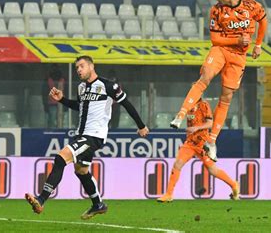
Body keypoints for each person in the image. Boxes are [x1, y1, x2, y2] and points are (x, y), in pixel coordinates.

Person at [26, 55, 149, 220]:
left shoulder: (108, 85)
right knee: (81, 171)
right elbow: (80, 106)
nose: (79, 70)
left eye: (81, 66)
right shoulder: (81, 87)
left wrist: (141, 126)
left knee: (61, 158)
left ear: (92, 66)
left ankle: (41, 200)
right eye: (77, 68)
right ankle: (98, 204)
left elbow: (126, 103)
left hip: (94, 136)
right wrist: (62, 99)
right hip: (82, 134)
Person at [170, 0, 267, 161]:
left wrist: (258, 45)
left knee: (227, 97)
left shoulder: (251, 6)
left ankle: (212, 141)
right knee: (205, 76)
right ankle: (180, 115)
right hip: (221, 50)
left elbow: (263, 21)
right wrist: (236, 41)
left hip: (239, 57)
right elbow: (215, 40)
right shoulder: (216, 10)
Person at [158, 98, 239, 202]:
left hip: (202, 143)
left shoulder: (204, 105)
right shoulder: (188, 106)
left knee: (212, 170)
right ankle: (168, 195)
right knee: (177, 164)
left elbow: (210, 123)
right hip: (190, 143)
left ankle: (233, 185)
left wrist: (196, 128)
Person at [42, 64, 66, 128]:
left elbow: (66, 91)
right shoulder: (48, 79)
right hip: (52, 103)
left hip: (59, 103)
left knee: (59, 120)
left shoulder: (63, 79)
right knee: (53, 120)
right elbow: (44, 92)